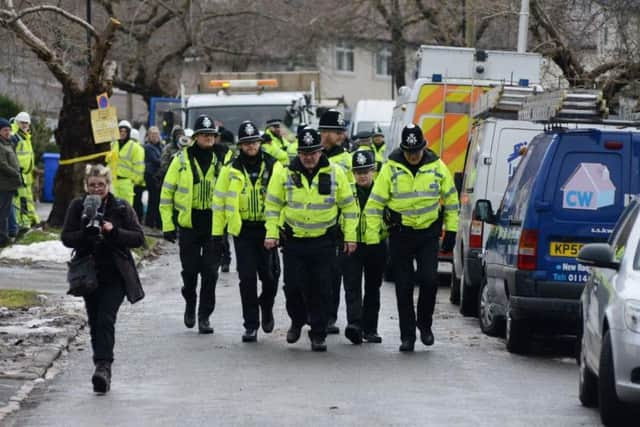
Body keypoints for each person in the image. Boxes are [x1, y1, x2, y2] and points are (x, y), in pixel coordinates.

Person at [365, 124, 458, 352]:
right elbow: (375, 204)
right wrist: (372, 238)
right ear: (403, 150)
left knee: (429, 280)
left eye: (416, 152)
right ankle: (407, 336)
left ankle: (424, 325)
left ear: (423, 148)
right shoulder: (391, 168)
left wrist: (452, 231)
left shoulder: (436, 166)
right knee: (403, 286)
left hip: (428, 233)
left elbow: (451, 199)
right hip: (400, 234)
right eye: (409, 152)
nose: (413, 156)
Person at [264, 127, 358, 352]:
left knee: (322, 288)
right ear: (299, 153)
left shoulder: (335, 173)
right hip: (294, 240)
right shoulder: (285, 173)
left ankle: (318, 333)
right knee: (293, 287)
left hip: (324, 241)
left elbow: (349, 207)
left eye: (313, 153)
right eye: (304, 153)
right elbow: (273, 205)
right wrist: (271, 233)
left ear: (320, 151)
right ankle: (297, 321)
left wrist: (351, 236)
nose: (308, 158)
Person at [61, 164, 145, 393]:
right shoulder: (78, 206)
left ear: (108, 185)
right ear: (86, 186)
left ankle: (103, 368)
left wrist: (113, 231)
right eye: (92, 185)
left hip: (115, 274)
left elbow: (138, 238)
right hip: (88, 274)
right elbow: (66, 237)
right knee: (95, 320)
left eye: (101, 184)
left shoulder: (120, 206)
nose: (96, 189)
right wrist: (86, 235)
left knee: (106, 318)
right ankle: (100, 363)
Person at [160, 115, 233, 334]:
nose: (208, 138)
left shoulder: (225, 158)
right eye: (204, 135)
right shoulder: (181, 159)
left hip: (215, 223)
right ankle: (190, 303)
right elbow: (167, 193)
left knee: (210, 273)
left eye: (211, 135)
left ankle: (204, 316)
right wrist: (167, 225)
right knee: (190, 271)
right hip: (189, 224)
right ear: (196, 137)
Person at [213, 120, 282, 342]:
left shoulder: (274, 165)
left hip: (267, 228)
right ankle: (251, 324)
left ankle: (266, 305)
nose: (251, 146)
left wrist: (280, 228)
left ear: (260, 143)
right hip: (242, 231)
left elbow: (284, 198)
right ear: (240, 145)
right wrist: (217, 234)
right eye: (247, 143)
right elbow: (219, 201)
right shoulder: (230, 169)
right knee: (247, 279)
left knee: (271, 278)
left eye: (254, 142)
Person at [342, 150, 387, 344]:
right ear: (353, 173)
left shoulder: (382, 192)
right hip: (351, 245)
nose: (362, 175)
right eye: (358, 172)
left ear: (373, 171)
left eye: (366, 171)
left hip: (375, 245)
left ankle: (370, 329)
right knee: (352, 286)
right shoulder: (347, 192)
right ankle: (355, 325)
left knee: (372, 288)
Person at [318, 109, 352, 335]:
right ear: (323, 132)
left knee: (333, 276)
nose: (339, 136)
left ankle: (329, 317)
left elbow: (351, 198)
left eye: (340, 131)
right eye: (334, 131)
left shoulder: (347, 161)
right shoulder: (309, 154)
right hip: (308, 225)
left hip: (336, 228)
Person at [11, 111, 40, 230]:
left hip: (27, 175)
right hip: (19, 174)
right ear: (17, 122)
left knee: (28, 199)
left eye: (26, 123)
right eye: (22, 123)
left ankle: (32, 220)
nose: (25, 125)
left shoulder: (25, 136)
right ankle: (22, 223)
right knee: (20, 201)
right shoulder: (15, 137)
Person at [109, 120, 145, 206]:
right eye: (120, 131)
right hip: (112, 181)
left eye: (125, 131)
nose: (122, 133)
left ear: (129, 132)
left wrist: (133, 181)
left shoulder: (136, 147)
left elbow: (139, 167)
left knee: (125, 208)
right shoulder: (113, 144)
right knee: (111, 208)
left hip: (126, 182)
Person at [0, 118, 21, 247]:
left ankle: (9, 232)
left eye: (9, 129)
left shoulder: (8, 143)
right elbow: (2, 164)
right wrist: (15, 172)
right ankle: (2, 237)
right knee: (3, 212)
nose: (8, 132)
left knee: (6, 211)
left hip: (10, 184)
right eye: (4, 130)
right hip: (4, 184)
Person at [144, 126, 163, 229]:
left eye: (157, 134)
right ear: (149, 136)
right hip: (151, 176)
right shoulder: (148, 147)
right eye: (153, 134)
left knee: (157, 201)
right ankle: (150, 223)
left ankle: (155, 223)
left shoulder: (161, 146)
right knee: (153, 201)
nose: (155, 136)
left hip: (158, 177)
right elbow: (157, 161)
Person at [130, 128, 145, 220]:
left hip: (132, 181)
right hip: (138, 181)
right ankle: (139, 218)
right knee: (138, 202)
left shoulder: (133, 148)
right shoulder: (140, 148)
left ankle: (137, 218)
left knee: (135, 203)